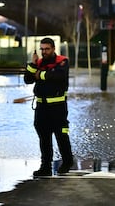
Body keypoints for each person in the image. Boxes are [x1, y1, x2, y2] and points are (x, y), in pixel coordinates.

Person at [24, 37, 73, 176]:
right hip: (41, 107)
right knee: (44, 138)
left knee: (61, 135)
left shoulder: (62, 62)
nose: (44, 52)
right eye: (42, 49)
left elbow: (58, 76)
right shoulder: (38, 63)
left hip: (58, 107)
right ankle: (45, 167)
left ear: (53, 49)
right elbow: (28, 79)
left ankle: (67, 161)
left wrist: (40, 74)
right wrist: (33, 65)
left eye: (47, 49)